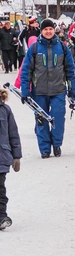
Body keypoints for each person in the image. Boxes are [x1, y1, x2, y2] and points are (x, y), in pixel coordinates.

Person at [20, 19, 75, 158]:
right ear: (42, 31)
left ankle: (56, 144)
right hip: (39, 91)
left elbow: (70, 70)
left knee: (58, 118)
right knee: (41, 120)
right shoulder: (34, 48)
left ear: (54, 30)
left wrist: (72, 91)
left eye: (50, 29)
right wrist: (25, 91)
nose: (48, 31)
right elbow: (26, 70)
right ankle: (45, 148)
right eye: (45, 29)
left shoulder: (62, 47)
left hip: (58, 90)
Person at [0, 86, 22, 230]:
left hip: (1, 157)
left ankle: (1, 216)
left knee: (0, 189)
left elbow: (13, 133)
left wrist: (16, 156)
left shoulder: (5, 110)